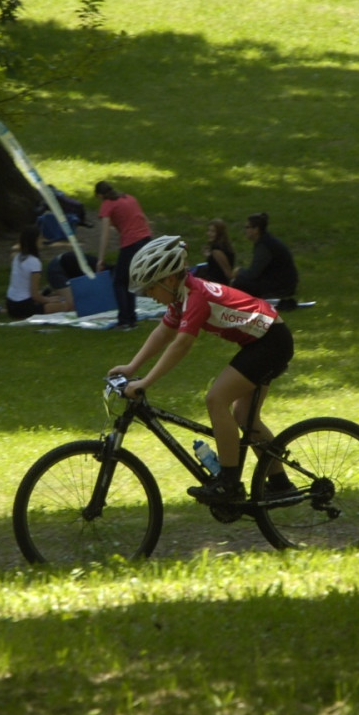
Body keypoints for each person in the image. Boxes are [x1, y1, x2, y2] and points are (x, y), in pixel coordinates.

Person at [108, 235, 295, 505]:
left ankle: (229, 484)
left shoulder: (196, 297)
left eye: (151, 287)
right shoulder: (181, 296)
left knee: (216, 399)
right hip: (265, 339)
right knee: (244, 417)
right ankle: (281, 484)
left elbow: (181, 344)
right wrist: (132, 367)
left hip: (271, 342)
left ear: (169, 279)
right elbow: (164, 332)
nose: (148, 294)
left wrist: (145, 382)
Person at [93, 180, 152, 330]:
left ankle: (124, 320)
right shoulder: (129, 198)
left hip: (131, 243)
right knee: (129, 281)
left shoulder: (107, 204)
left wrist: (101, 259)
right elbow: (144, 219)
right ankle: (131, 318)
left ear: (100, 195)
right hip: (145, 239)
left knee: (119, 282)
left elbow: (105, 234)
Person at [1, 225, 72, 319]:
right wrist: (48, 300)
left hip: (11, 304)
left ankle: (3, 310)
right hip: (24, 306)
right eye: (40, 238)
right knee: (65, 305)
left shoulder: (17, 256)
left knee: (51, 294)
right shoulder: (34, 262)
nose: (42, 240)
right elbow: (35, 295)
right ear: (34, 240)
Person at [232, 211, 299, 305]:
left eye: (247, 227)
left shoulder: (264, 246)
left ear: (256, 230)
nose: (245, 230)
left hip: (281, 286)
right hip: (279, 282)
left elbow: (253, 274)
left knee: (238, 282)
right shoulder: (266, 241)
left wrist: (239, 271)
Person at [192, 218, 236, 284]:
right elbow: (216, 265)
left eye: (213, 231)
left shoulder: (217, 250)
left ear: (219, 233)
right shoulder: (221, 246)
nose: (209, 234)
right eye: (208, 230)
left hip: (216, 282)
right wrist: (209, 256)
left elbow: (227, 273)